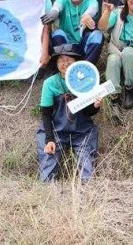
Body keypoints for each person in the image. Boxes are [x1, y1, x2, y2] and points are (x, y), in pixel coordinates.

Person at [36, 45, 100, 183]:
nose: (65, 63)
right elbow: (46, 114)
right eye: (61, 60)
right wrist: (49, 139)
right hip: (56, 130)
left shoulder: (86, 80)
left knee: (88, 175)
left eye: (68, 60)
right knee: (47, 174)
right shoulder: (50, 83)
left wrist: (95, 106)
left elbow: (89, 112)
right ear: (56, 63)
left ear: (76, 62)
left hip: (82, 131)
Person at [42, 0, 103, 64]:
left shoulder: (91, 1)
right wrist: (54, 13)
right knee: (57, 33)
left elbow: (93, 8)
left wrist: (86, 15)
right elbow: (57, 7)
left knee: (97, 35)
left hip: (83, 45)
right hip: (65, 46)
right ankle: (63, 65)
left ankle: (86, 67)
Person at [6, 0, 52, 71]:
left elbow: (45, 29)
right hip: (18, 37)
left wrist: (45, 52)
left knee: (38, 70)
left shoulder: (45, 1)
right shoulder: (10, 1)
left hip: (38, 37)